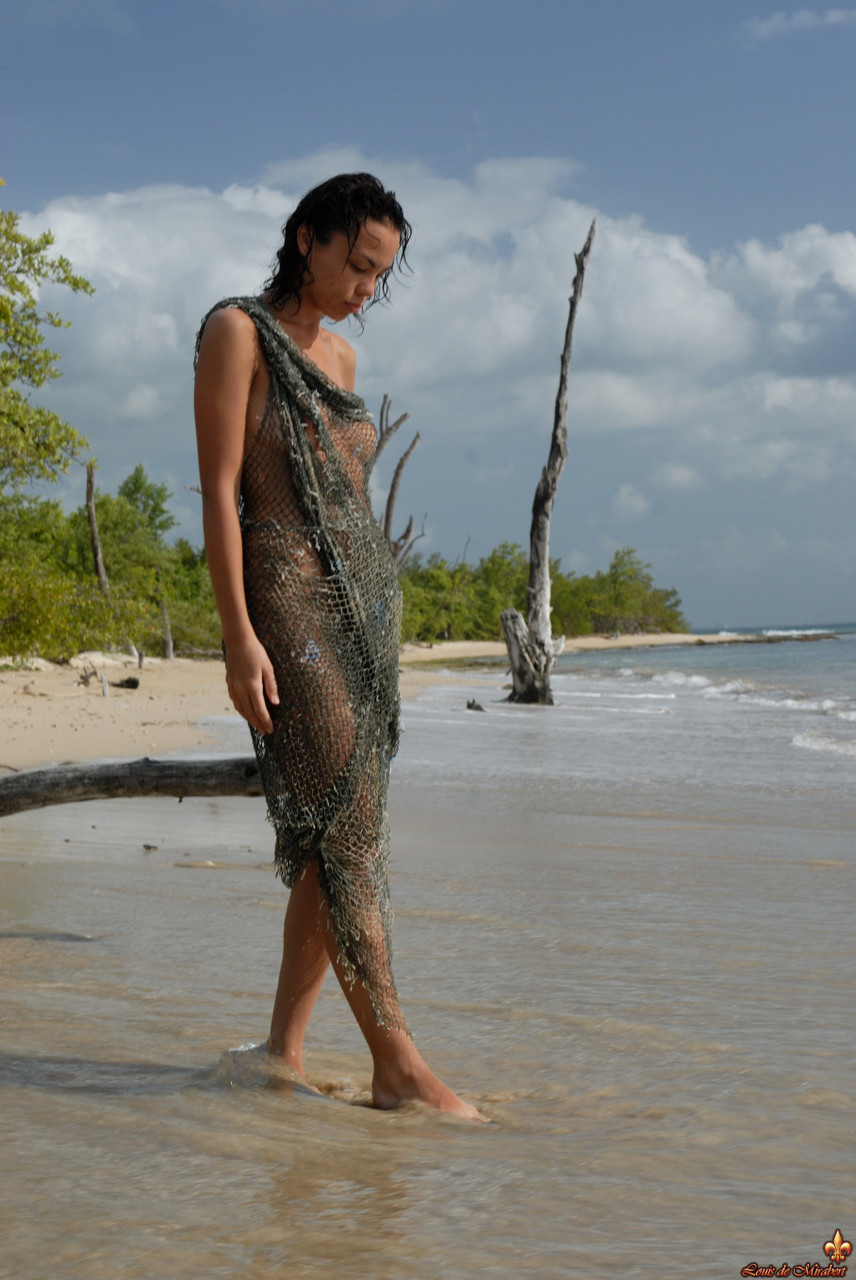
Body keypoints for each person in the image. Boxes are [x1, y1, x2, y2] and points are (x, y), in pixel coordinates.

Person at [194, 173, 481, 1119]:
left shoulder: (346, 360)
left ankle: (283, 1049)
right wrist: (237, 635)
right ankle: (398, 1065)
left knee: (335, 833)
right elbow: (224, 494)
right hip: (285, 607)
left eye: (380, 276)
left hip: (363, 617)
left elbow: (352, 505)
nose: (366, 288)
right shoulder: (238, 331)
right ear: (309, 238)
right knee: (348, 839)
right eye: (356, 264)